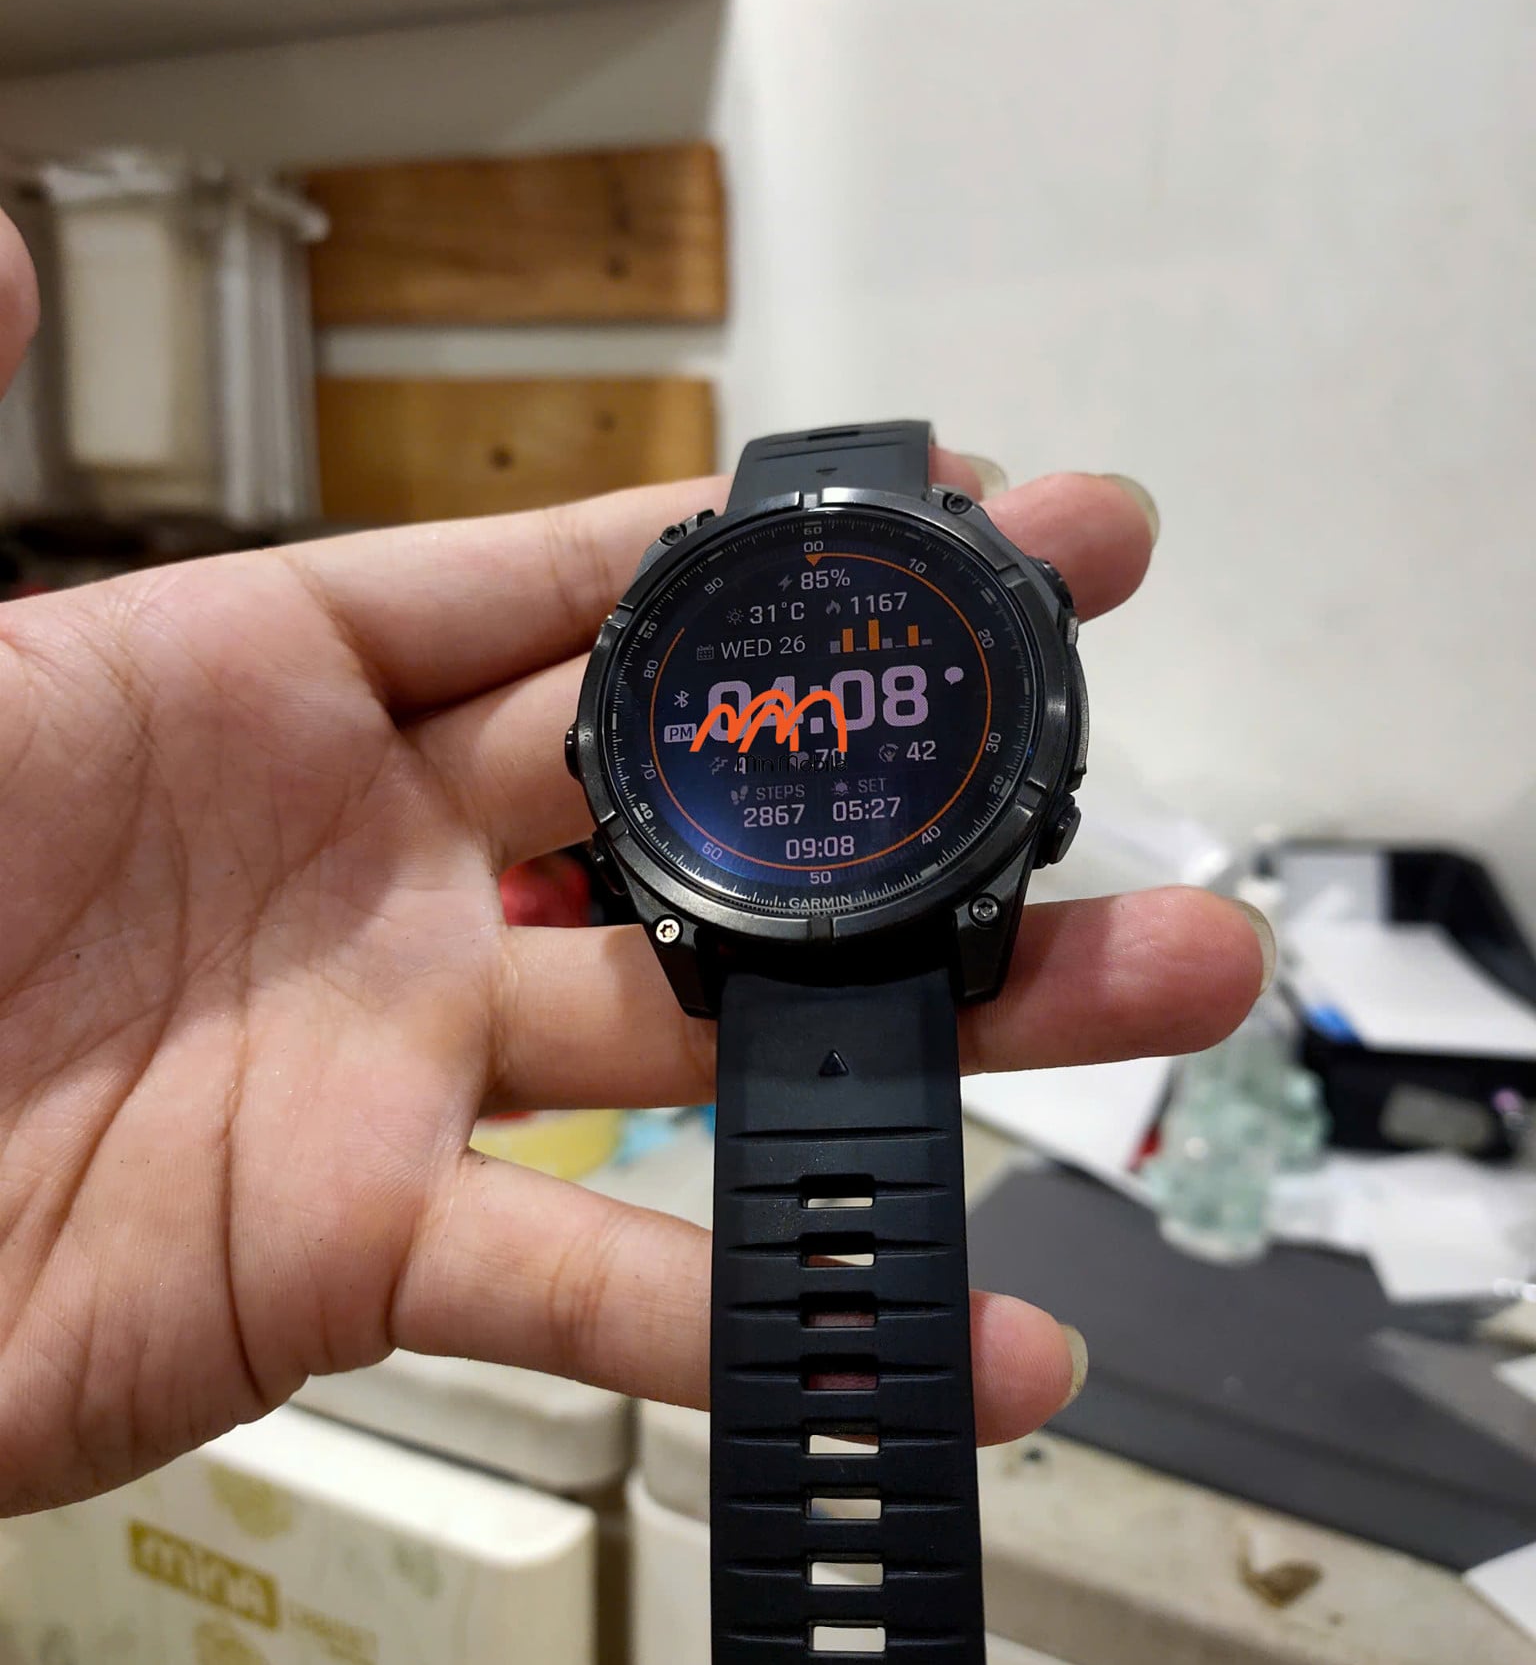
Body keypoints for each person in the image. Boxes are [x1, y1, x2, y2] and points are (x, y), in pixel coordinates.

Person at [0, 210, 1270, 1518]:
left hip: (884, 915)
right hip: (772, 923)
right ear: (603, 744)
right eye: (772, 712)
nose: (813, 724)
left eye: (869, 698)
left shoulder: (810, 686)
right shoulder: (707, 732)